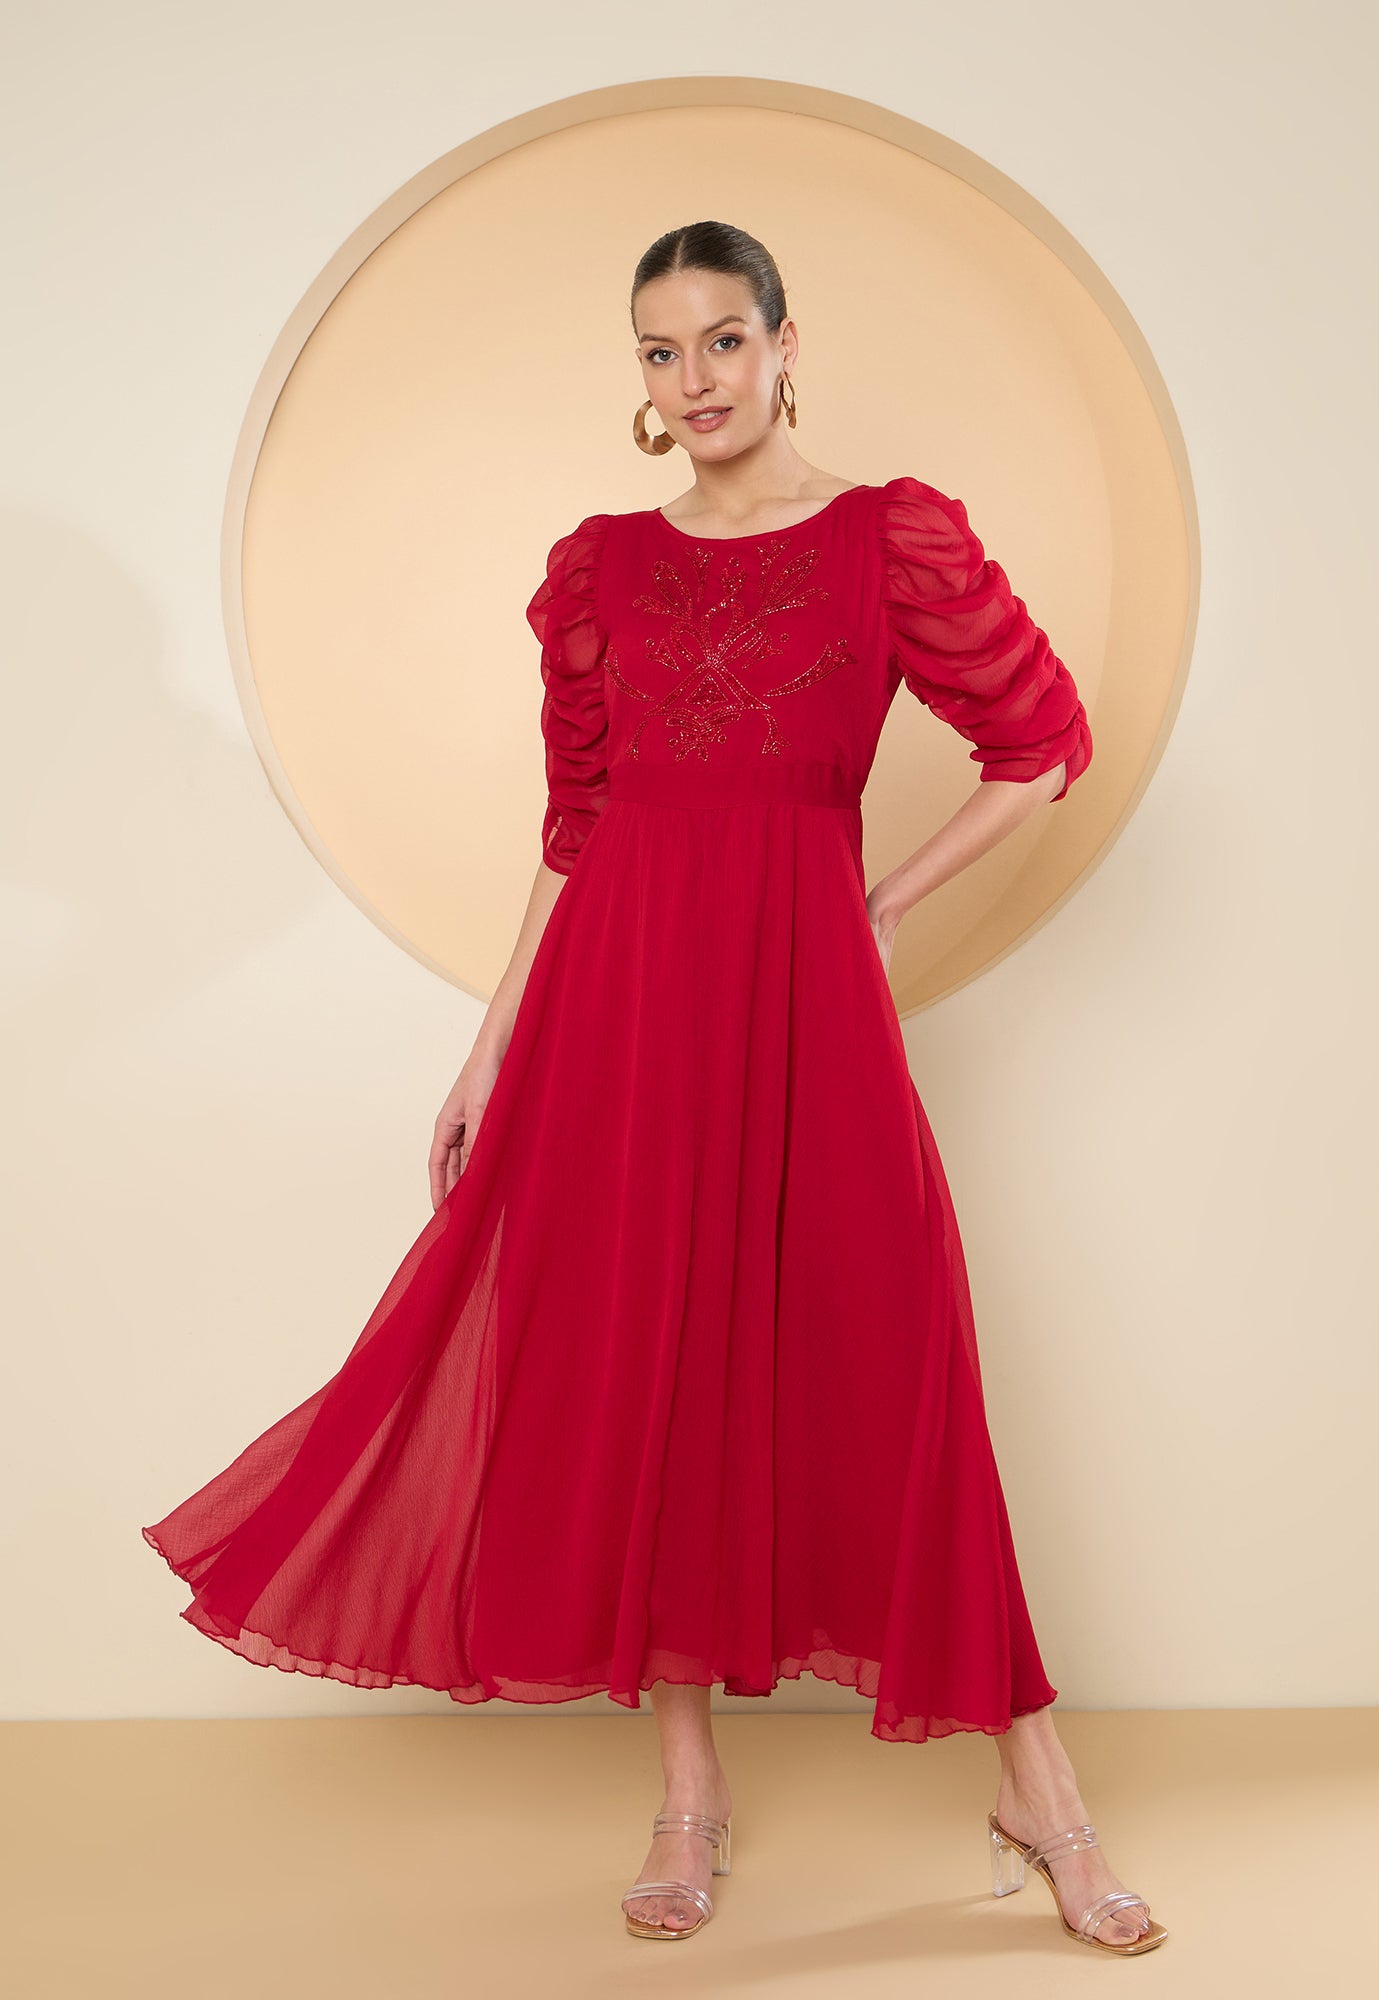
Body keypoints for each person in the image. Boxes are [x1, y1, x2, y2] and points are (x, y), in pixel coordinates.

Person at [141, 219, 1165, 1957]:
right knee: (651, 1366)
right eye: (660, 352)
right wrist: (489, 1048)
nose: (695, 380)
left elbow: (1040, 745)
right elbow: (576, 830)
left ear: (786, 344)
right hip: (617, 1011)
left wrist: (879, 906)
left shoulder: (887, 537)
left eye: (722, 341)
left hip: (805, 1000)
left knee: (900, 1357)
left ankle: (1039, 1792)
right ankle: (688, 1797)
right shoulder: (601, 568)